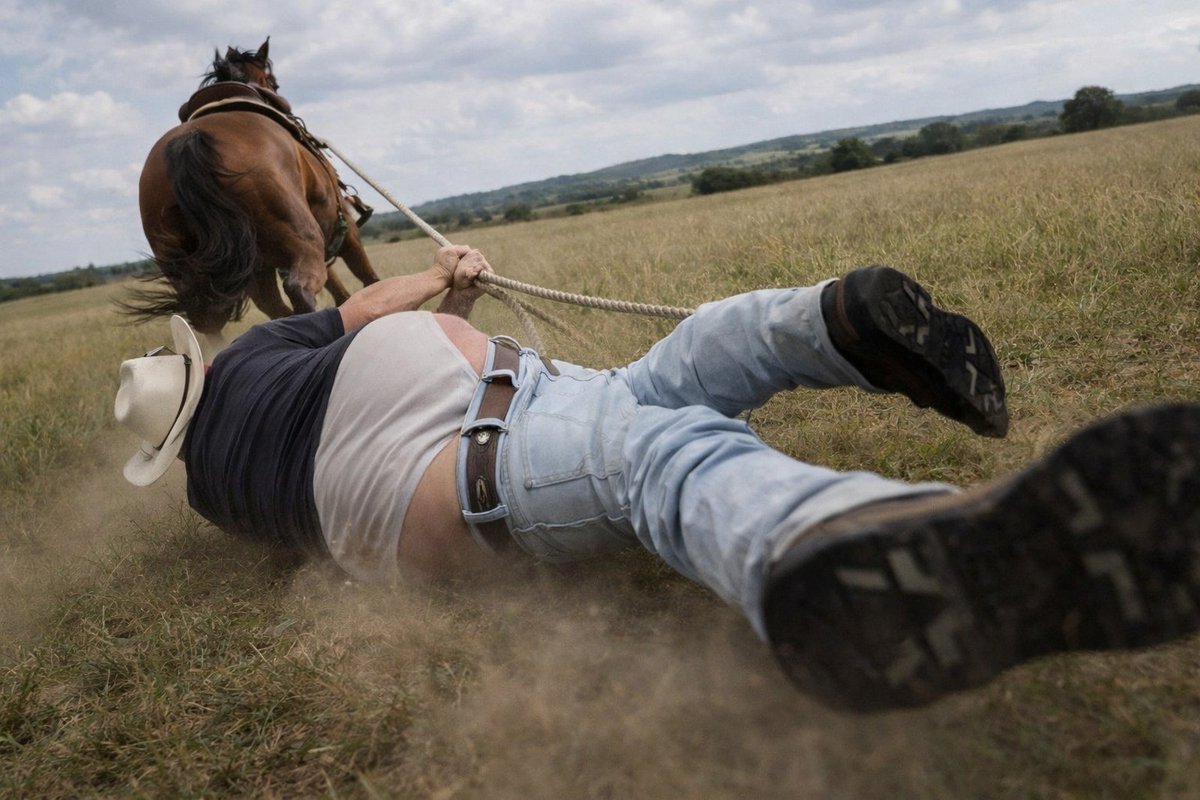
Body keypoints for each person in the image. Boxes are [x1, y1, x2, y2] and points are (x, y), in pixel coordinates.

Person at [115, 246, 1200, 713]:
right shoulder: (256, 355)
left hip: (494, 439)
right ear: (197, 369)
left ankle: (841, 324)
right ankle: (843, 515)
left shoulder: (219, 494)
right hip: (482, 441)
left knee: (670, 388)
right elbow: (368, 311)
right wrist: (449, 279)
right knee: (666, 442)